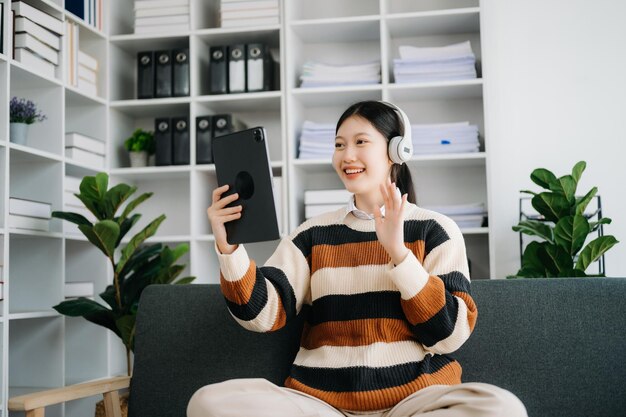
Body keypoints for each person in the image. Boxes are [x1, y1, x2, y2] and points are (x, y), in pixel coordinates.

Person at [188, 100, 527, 417]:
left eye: (361, 142)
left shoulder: (435, 229)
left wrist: (399, 254)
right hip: (322, 404)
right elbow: (261, 314)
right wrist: (229, 247)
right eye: (339, 145)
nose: (347, 155)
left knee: (502, 409)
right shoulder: (311, 234)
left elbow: (450, 335)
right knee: (208, 403)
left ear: (397, 150)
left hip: (412, 403)